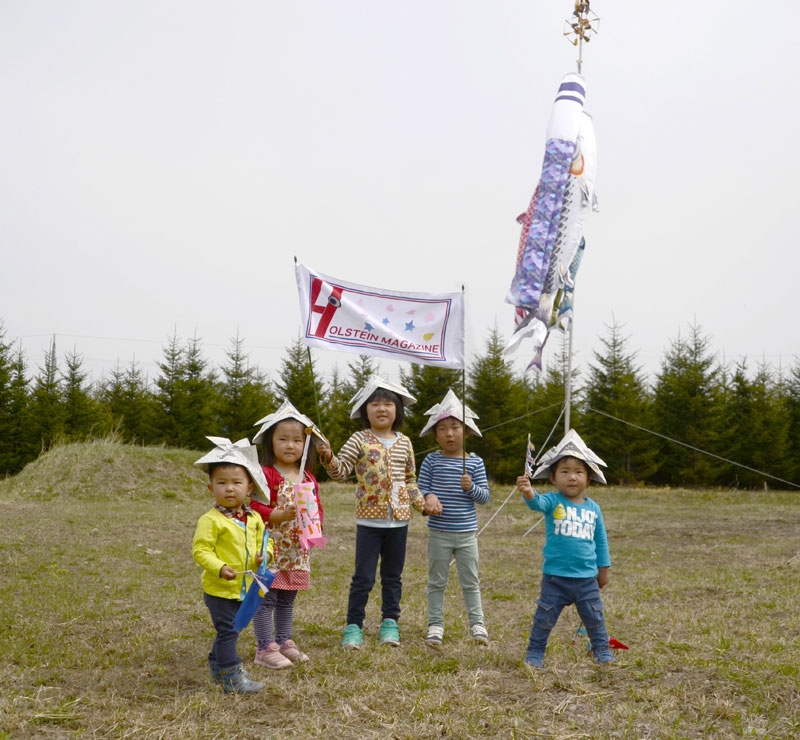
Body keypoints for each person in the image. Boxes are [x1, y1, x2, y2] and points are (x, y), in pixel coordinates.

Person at [316, 376, 433, 649]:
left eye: (388, 404)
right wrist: (328, 457)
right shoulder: (359, 439)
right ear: (364, 411)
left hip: (399, 522)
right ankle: (353, 626)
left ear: (398, 411)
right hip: (369, 521)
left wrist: (422, 505)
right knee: (363, 578)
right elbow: (340, 471)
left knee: (393, 577)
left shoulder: (405, 442)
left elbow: (410, 481)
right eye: (375, 404)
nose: (382, 409)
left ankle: (390, 623)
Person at [515, 429, 615, 668]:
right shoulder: (552, 501)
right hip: (555, 579)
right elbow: (536, 503)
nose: (572, 477)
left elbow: (600, 541)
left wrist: (604, 570)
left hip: (586, 579)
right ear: (553, 478)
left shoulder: (594, 509)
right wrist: (529, 491)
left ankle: (601, 648)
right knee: (544, 618)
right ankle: (535, 651)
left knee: (595, 618)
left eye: (579, 472)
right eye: (565, 472)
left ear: (588, 478)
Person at [192, 436, 274, 693]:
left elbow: (266, 543)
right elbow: (201, 550)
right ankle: (232, 676)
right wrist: (218, 567)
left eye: (236, 483)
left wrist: (265, 556)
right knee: (228, 631)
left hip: (246, 587)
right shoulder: (211, 520)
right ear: (211, 488)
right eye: (222, 483)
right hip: (219, 590)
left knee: (233, 629)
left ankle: (217, 666)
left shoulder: (255, 518)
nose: (229, 488)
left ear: (249, 488)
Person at [248, 401, 325, 669]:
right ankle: (264, 646)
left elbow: (317, 507)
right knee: (266, 597)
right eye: (283, 439)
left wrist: (316, 532)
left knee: (287, 597)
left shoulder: (308, 477)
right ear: (271, 443)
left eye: (297, 440)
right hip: (271, 547)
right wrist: (274, 515)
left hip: (296, 549)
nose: (290, 445)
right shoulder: (266, 474)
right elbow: (253, 504)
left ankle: (283, 640)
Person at [417, 389, 491, 649]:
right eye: (443, 429)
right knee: (437, 580)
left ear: (467, 432)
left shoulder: (475, 463)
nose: (449, 434)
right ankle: (435, 625)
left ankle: (477, 624)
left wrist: (470, 487)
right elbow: (421, 488)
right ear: (435, 435)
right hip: (439, 533)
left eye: (455, 427)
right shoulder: (431, 461)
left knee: (470, 581)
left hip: (467, 534)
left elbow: (484, 498)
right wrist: (429, 497)